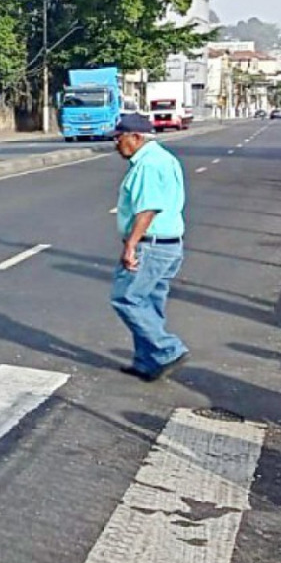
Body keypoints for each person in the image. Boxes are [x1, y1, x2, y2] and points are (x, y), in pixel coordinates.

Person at [111, 112, 189, 381]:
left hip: (151, 245)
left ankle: (168, 349)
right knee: (150, 302)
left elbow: (148, 209)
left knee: (126, 299)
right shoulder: (164, 158)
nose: (116, 143)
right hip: (169, 244)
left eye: (119, 137)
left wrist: (130, 246)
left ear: (136, 137)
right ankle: (147, 362)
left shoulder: (149, 165)